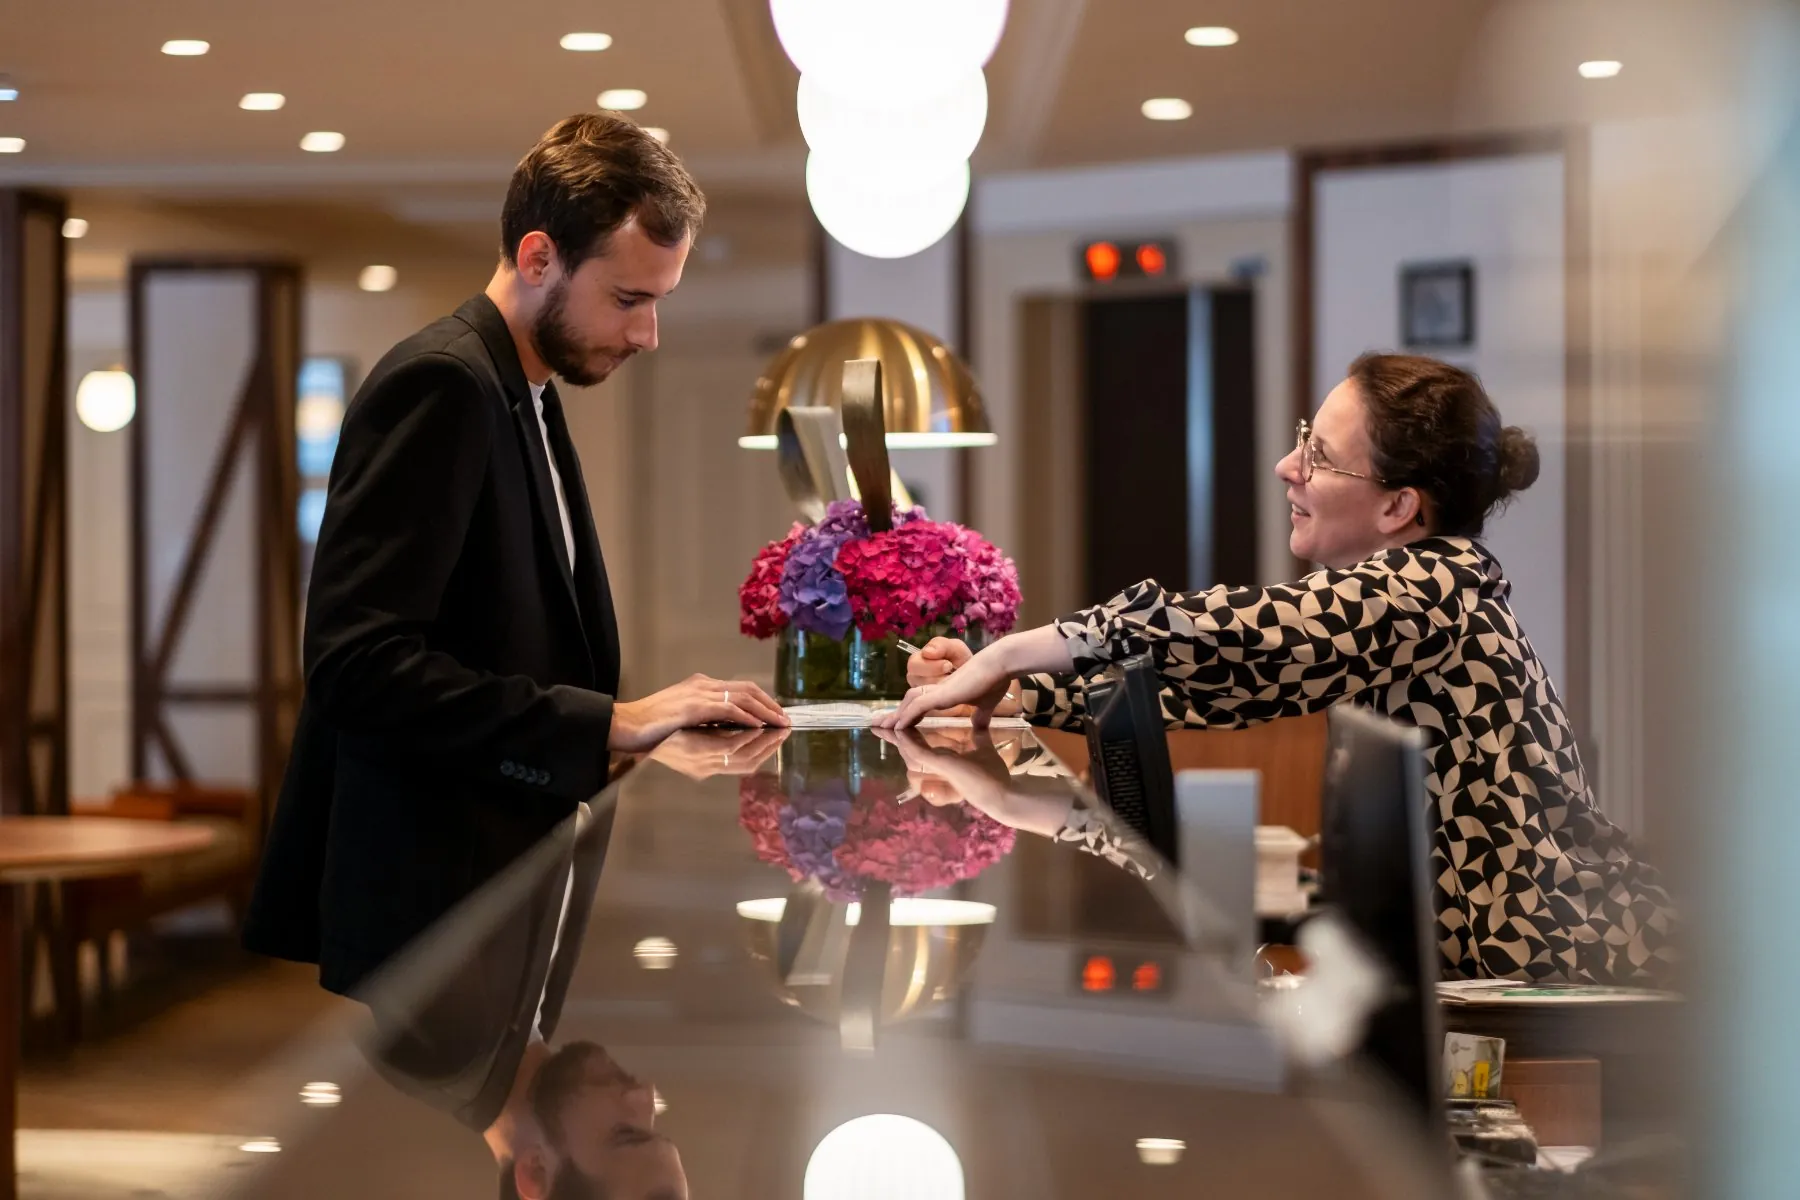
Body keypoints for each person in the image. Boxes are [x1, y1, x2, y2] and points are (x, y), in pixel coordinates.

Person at [884, 353, 1676, 986]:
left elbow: (1234, 640)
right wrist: (1017, 690)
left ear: (1399, 508)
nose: (1284, 466)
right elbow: (1232, 687)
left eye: (1319, 456)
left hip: (1564, 968)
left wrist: (1004, 654)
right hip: (1494, 963)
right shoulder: (1419, 591)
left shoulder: (1436, 585)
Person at [245, 113, 785, 997]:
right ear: (539, 259)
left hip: (496, 874)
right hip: (438, 891)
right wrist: (605, 722)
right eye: (628, 299)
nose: (648, 334)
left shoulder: (519, 386)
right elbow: (357, 665)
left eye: (658, 301)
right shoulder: (444, 384)